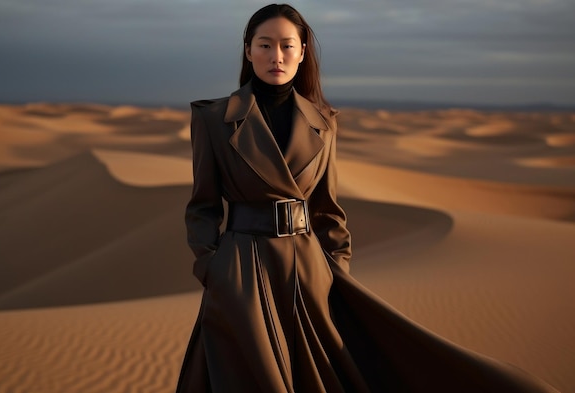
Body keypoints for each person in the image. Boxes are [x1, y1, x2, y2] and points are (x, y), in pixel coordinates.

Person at [177, 4, 559, 392]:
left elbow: (327, 209)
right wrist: (213, 269)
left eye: (287, 45)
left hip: (309, 275)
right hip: (241, 273)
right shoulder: (215, 119)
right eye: (265, 45)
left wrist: (335, 270)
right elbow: (202, 207)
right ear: (248, 50)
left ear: (303, 51)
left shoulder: (323, 122)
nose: (276, 56)